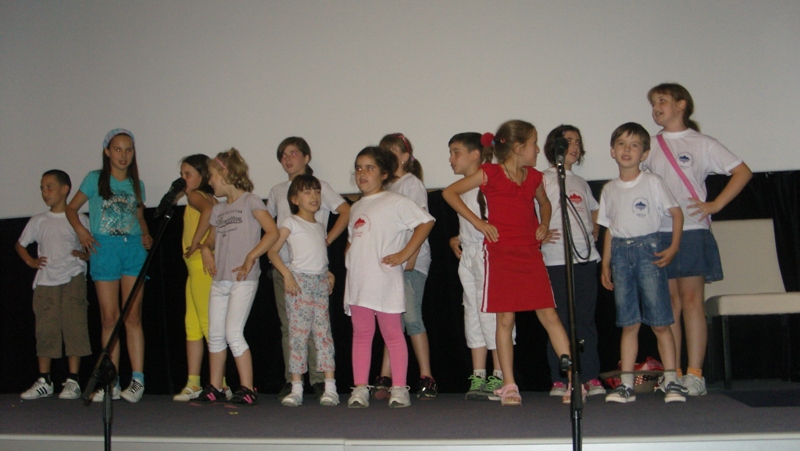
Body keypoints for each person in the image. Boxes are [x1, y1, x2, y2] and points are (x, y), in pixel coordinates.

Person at [442, 120, 571, 406]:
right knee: (504, 319)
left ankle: (574, 382)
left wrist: (544, 223)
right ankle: (509, 384)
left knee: (550, 316)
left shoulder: (534, 177)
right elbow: (449, 193)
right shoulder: (490, 174)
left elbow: (545, 203)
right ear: (518, 147)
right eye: (534, 143)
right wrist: (479, 223)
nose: (538, 149)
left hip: (530, 254)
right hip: (501, 255)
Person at [644, 83, 752, 396]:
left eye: (662, 101)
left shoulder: (701, 143)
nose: (656, 107)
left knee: (691, 300)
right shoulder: (649, 145)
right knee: (669, 304)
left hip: (692, 229)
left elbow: (742, 172)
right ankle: (672, 372)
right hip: (659, 231)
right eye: (653, 103)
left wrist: (715, 205)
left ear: (681, 105)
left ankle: (695, 374)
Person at [598, 122, 686, 404]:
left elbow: (677, 213)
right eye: (621, 144)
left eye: (634, 145)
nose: (627, 150)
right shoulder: (609, 189)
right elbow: (609, 229)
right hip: (620, 255)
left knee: (660, 321)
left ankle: (672, 380)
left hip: (649, 251)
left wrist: (673, 247)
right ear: (612, 151)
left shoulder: (653, 181)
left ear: (644, 154)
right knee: (629, 323)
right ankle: (626, 384)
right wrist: (605, 263)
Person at [66, 129, 152, 403]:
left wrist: (146, 234)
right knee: (109, 318)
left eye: (128, 150)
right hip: (105, 248)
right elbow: (71, 208)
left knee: (133, 316)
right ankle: (111, 381)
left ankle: (137, 380)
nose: (123, 155)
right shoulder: (95, 179)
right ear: (107, 152)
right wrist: (82, 232)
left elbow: (140, 217)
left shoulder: (137, 184)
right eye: (117, 149)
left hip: (133, 248)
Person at [345, 146, 434, 409]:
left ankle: (399, 388)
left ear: (384, 174)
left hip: (385, 280)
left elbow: (426, 222)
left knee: (393, 334)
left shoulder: (395, 201)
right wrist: (350, 257)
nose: (362, 173)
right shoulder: (356, 207)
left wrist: (405, 253)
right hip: (359, 282)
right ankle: (360, 388)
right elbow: (353, 239)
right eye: (358, 168)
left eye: (369, 168)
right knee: (362, 334)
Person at [192, 148, 279, 407]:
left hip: (243, 279)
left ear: (226, 173)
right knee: (215, 335)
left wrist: (251, 256)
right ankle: (215, 387)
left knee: (233, 333)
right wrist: (205, 249)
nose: (209, 181)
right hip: (219, 280)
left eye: (211, 176)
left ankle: (248, 388)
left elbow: (272, 232)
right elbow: (211, 239)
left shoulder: (251, 201)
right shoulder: (218, 209)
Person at [266, 137, 349, 401]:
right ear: (295, 198)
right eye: (283, 155)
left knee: (321, 332)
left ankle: (321, 381)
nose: (287, 159)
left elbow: (345, 210)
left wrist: (327, 243)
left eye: (293, 153)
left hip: (317, 274)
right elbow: (271, 235)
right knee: (293, 330)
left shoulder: (320, 190)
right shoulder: (278, 192)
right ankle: (295, 383)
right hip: (290, 271)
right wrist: (285, 272)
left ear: (306, 157)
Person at [541, 125, 605, 403]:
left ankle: (589, 375)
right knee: (558, 320)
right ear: (554, 146)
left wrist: (595, 228)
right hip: (555, 259)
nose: (575, 146)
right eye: (568, 141)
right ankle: (560, 377)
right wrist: (540, 232)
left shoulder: (580, 182)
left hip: (585, 258)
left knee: (585, 320)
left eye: (578, 142)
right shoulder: (542, 179)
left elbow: (594, 208)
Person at [373, 133, 437, 400]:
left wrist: (409, 258)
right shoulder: (384, 188)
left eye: (392, 151)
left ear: (405, 156)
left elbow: (421, 223)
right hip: (391, 264)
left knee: (411, 317)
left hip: (411, 262)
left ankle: (426, 376)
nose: (387, 156)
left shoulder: (411, 184)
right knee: (392, 321)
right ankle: (386, 377)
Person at [17, 170, 91, 400]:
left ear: (65, 189)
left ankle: (73, 380)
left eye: (50, 187)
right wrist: (30, 261)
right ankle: (44, 379)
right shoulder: (38, 220)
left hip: (72, 278)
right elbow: (20, 245)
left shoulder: (78, 219)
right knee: (46, 329)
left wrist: (85, 255)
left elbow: (90, 248)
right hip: (46, 281)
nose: (45, 192)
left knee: (74, 326)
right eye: (42, 188)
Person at [446, 132, 505, 401]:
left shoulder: (488, 182)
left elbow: (493, 222)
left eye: (456, 152)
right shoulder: (464, 188)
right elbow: (471, 223)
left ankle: (500, 375)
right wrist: (458, 237)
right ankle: (478, 374)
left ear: (475, 154)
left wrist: (480, 231)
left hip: (488, 255)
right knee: (472, 314)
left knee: (492, 314)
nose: (451, 158)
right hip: (469, 255)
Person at [172, 154, 231, 401]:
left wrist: (196, 241)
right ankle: (193, 382)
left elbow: (208, 212)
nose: (183, 179)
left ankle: (221, 383)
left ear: (203, 176)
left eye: (188, 174)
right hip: (194, 270)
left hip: (200, 268)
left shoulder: (196, 196)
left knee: (208, 325)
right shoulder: (211, 197)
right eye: (182, 174)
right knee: (193, 326)